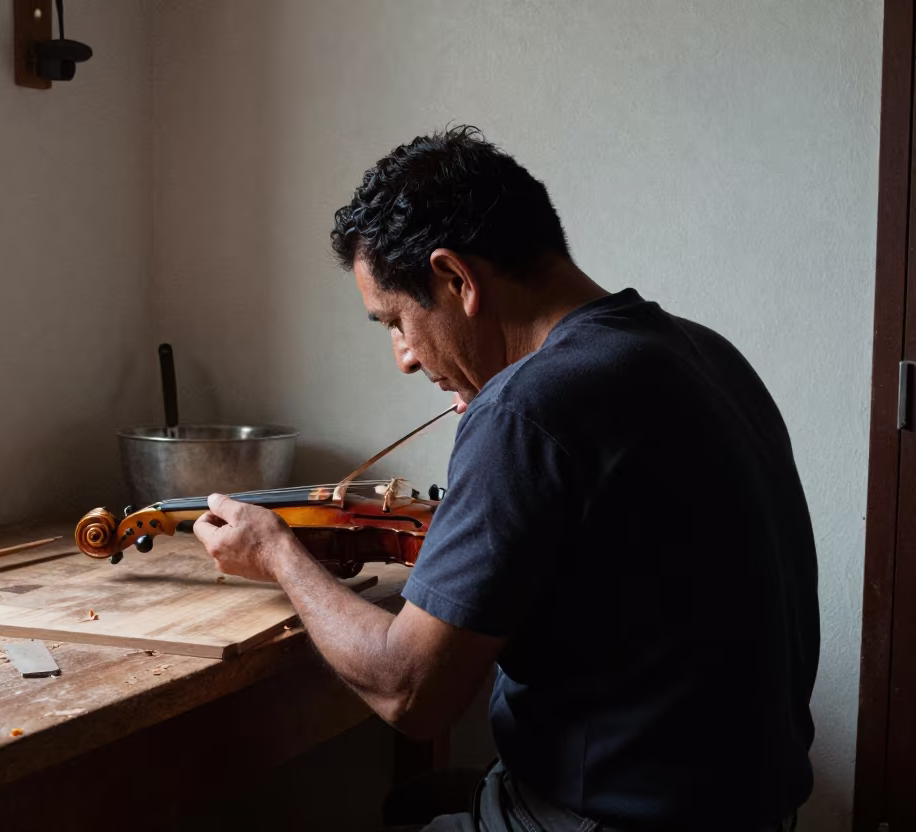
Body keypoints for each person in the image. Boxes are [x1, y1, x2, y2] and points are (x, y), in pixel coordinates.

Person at [193, 126, 818, 831]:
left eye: (396, 320)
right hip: (754, 811)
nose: (404, 356)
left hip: (607, 820)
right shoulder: (704, 352)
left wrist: (278, 552)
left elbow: (409, 693)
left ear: (457, 280)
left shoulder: (528, 406)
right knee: (416, 801)